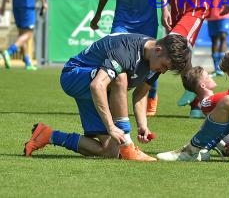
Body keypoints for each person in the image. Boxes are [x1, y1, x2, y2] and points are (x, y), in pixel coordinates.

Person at [22, 33, 191, 161]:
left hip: (99, 92)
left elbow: (140, 93)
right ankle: (127, 143)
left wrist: (143, 125)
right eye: (164, 66)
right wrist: (112, 127)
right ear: (158, 50)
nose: (163, 71)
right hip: (74, 75)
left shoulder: (154, 61)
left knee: (110, 151)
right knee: (120, 76)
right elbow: (97, 85)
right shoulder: (127, 51)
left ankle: (48, 135)